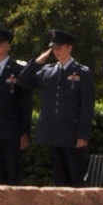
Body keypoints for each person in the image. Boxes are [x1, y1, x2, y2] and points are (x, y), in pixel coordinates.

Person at [19, 27, 94, 186]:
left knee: (75, 178)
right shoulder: (48, 71)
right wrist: (37, 62)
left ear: (69, 47)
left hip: (72, 134)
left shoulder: (82, 72)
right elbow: (23, 80)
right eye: (54, 48)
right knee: (60, 179)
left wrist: (83, 134)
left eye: (60, 47)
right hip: (54, 132)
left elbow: (87, 106)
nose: (56, 51)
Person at [0, 27, 31, 185]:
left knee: (13, 174)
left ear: (8, 45)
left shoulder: (18, 69)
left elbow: (25, 103)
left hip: (11, 131)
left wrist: (25, 131)